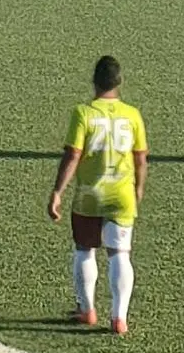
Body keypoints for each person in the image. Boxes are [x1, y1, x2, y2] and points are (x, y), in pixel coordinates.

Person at [46, 55, 147, 336]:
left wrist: (57, 191)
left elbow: (73, 155)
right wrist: (138, 188)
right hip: (122, 195)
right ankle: (119, 318)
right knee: (120, 254)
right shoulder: (132, 115)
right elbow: (140, 159)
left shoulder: (84, 113)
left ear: (94, 80)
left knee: (85, 249)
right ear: (119, 82)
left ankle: (87, 309)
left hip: (90, 195)